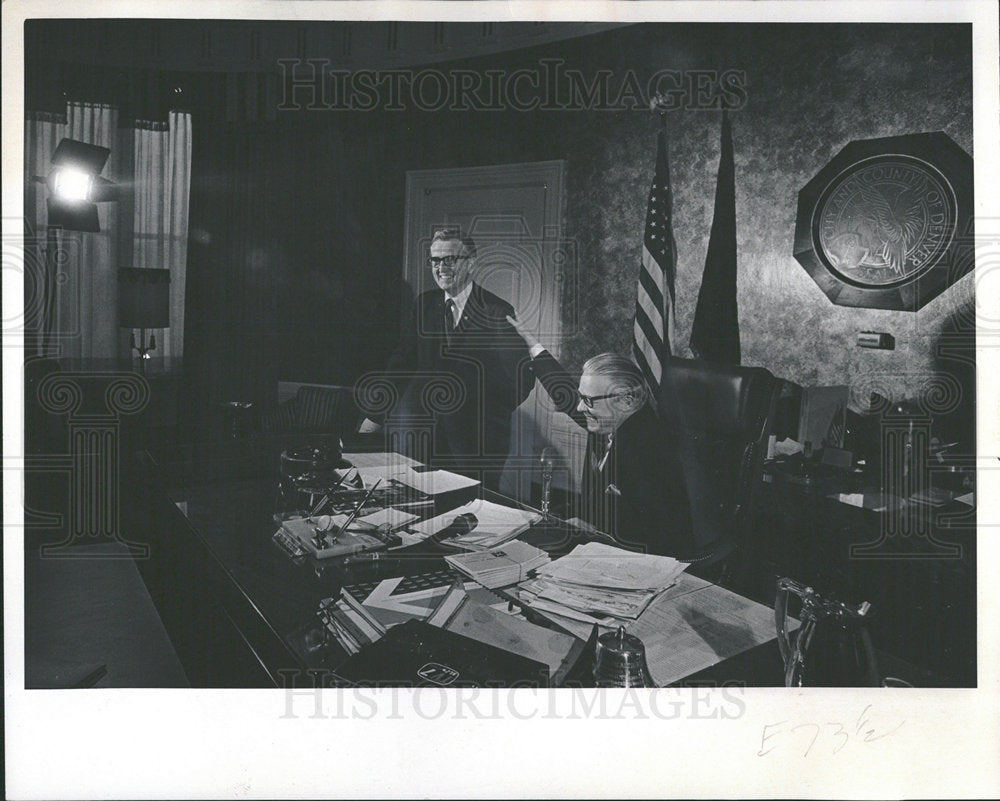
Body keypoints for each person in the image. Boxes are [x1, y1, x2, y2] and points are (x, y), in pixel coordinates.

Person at [507, 314, 694, 559]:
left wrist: (594, 533)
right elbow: (565, 395)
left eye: (588, 401)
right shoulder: (610, 417)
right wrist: (532, 344)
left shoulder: (647, 448)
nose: (581, 408)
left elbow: (659, 537)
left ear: (626, 399)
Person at [358, 228, 532, 488]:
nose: (441, 268)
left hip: (477, 445)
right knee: (422, 510)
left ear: (471, 263)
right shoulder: (425, 305)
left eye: (450, 259)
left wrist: (484, 414)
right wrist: (374, 417)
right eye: (435, 261)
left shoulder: (497, 311)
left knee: (471, 514)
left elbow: (521, 378)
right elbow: (401, 364)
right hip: (424, 440)